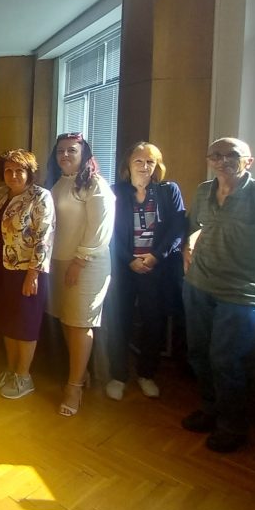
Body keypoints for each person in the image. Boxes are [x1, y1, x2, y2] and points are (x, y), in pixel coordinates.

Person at [181, 137, 255, 452]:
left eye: (231, 155)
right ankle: (210, 409)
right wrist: (187, 248)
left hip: (240, 293)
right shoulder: (204, 191)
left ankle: (232, 426)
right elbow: (197, 227)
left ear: (249, 161)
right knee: (198, 353)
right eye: (216, 155)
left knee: (225, 360)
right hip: (198, 284)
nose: (223, 160)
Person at [107, 142, 186, 401]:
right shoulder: (115, 192)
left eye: (150, 161)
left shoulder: (168, 191)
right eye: (138, 161)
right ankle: (118, 376)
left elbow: (177, 228)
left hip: (157, 269)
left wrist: (155, 257)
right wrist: (130, 259)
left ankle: (146, 374)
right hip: (124, 268)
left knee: (154, 322)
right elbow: (108, 233)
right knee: (120, 321)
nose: (144, 166)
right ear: (128, 165)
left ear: (157, 166)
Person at [46, 132, 115, 417]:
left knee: (80, 323)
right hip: (59, 261)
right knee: (66, 319)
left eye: (71, 150)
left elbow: (100, 229)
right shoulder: (59, 182)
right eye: (60, 150)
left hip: (86, 264)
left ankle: (74, 387)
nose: (65, 155)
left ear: (84, 153)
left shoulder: (95, 184)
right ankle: (80, 374)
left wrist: (79, 261)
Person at [0, 149, 55, 400]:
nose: (13, 175)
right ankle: (11, 369)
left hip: (26, 272)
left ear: (29, 172)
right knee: (8, 322)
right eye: (8, 170)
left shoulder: (40, 196)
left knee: (25, 324)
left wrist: (33, 275)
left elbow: (43, 238)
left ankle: (24, 376)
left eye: (19, 170)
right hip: (0, 269)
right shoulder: (0, 194)